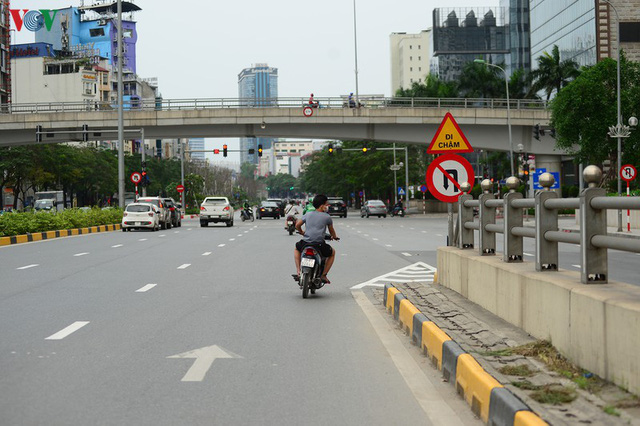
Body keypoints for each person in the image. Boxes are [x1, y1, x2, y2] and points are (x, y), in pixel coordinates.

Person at [293, 194, 339, 284]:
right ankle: (323, 275)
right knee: (332, 252)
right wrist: (334, 237)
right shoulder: (327, 217)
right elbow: (331, 230)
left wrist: (302, 232)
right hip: (319, 245)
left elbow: (297, 225)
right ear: (322, 205)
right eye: (326, 204)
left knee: (296, 248)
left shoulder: (308, 214)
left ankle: (298, 271)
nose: (327, 206)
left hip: (305, 243)